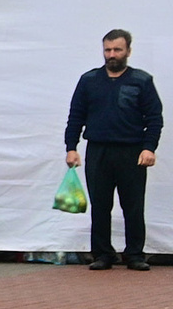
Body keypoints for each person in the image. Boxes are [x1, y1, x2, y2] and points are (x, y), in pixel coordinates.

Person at [64, 28, 161, 272]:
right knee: (100, 204)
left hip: (132, 152)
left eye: (117, 49)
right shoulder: (89, 80)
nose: (112, 54)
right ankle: (103, 254)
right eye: (107, 50)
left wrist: (149, 148)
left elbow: (154, 118)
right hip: (99, 151)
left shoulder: (141, 81)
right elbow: (76, 116)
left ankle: (135, 255)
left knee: (133, 205)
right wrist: (71, 147)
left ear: (128, 50)